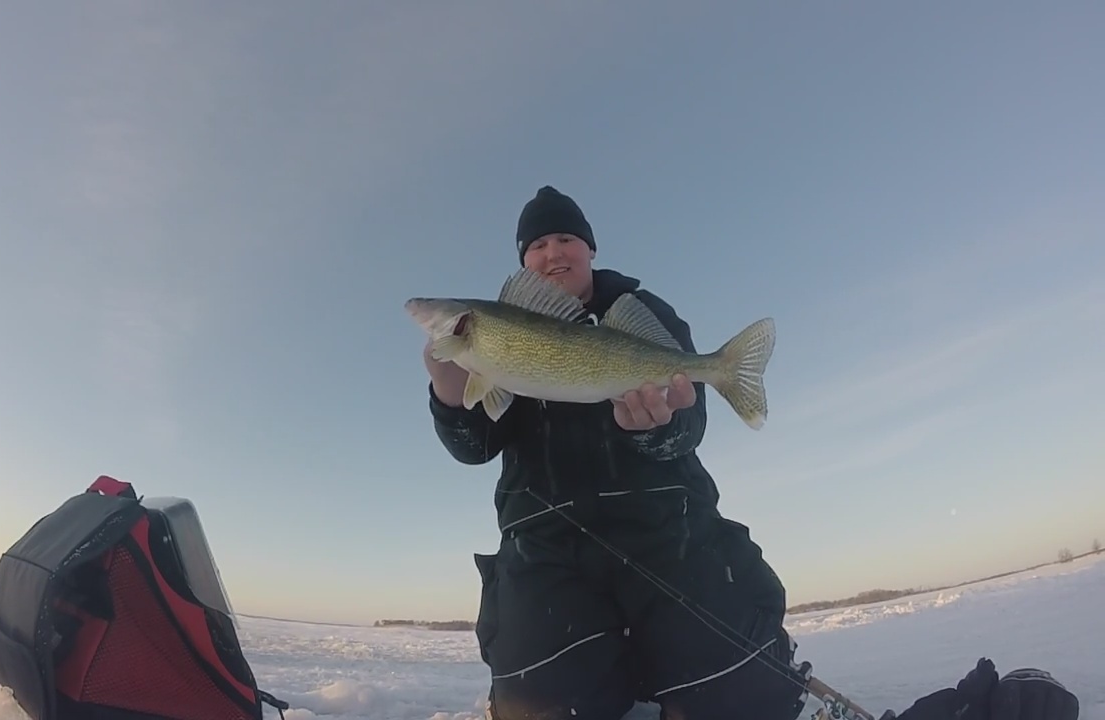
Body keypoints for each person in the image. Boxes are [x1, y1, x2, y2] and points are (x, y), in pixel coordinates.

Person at [421, 186, 1080, 720]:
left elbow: (687, 427)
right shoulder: (493, 341)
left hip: (669, 536)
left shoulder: (637, 310)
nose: (552, 252)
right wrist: (452, 397)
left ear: (590, 248)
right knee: (541, 704)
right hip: (544, 551)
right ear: (523, 262)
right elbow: (476, 445)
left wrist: (658, 425)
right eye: (536, 244)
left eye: (565, 237)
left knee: (734, 692)